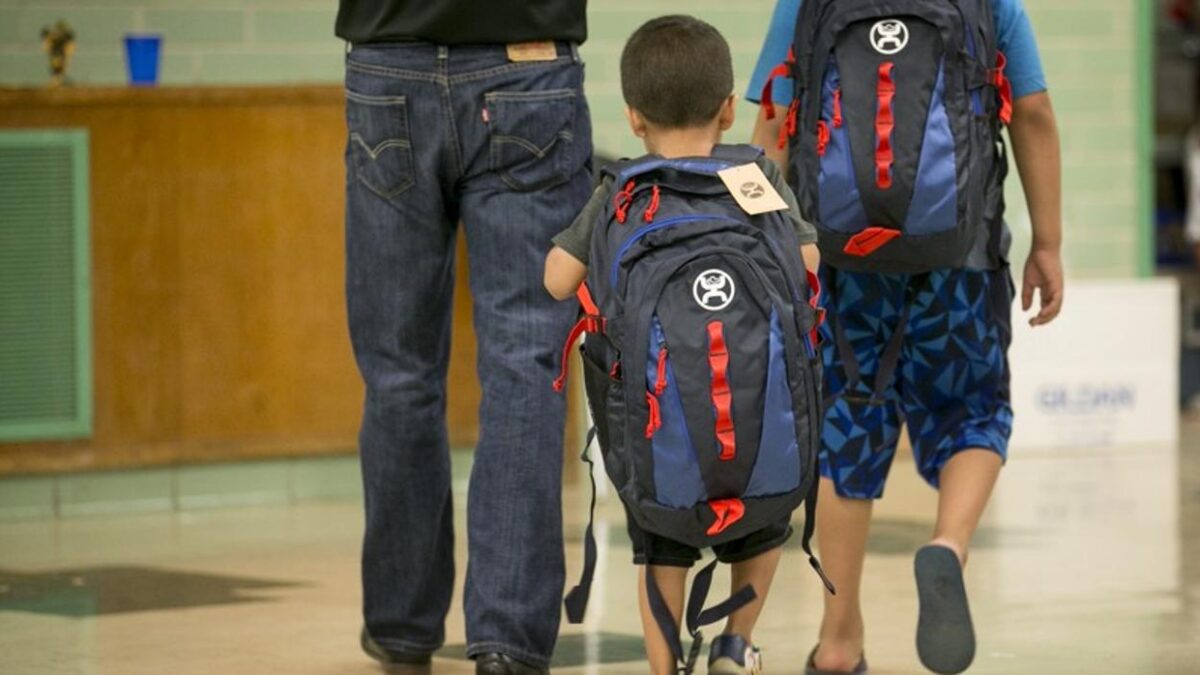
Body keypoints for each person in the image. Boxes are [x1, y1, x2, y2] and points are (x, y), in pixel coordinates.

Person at [747, 0, 1063, 673]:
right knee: (972, 410)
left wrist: (767, 254)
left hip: (841, 257)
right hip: (961, 255)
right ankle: (948, 542)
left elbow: (771, 128)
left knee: (848, 428)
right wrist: (1050, 242)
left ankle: (837, 641)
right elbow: (1033, 113)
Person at [545, 16, 821, 675]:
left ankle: (664, 664)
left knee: (660, 548)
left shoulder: (622, 192)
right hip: (760, 421)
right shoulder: (756, 178)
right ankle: (734, 642)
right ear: (730, 109)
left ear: (634, 118)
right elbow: (809, 260)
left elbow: (556, 280)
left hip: (659, 427)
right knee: (765, 519)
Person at [335, 2, 592, 673]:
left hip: (388, 60)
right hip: (527, 61)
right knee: (527, 363)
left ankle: (400, 624)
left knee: (398, 371)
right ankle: (507, 638)